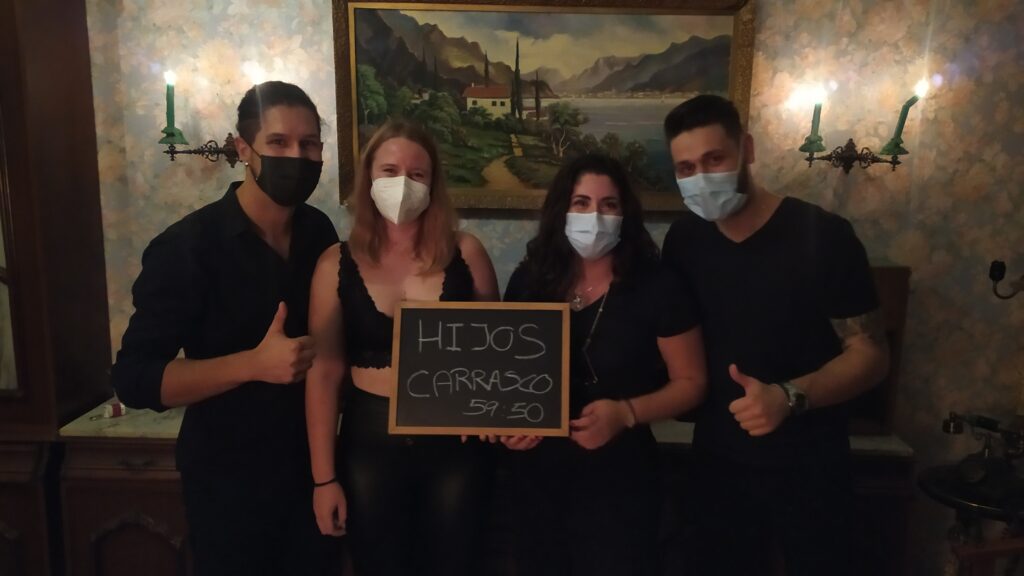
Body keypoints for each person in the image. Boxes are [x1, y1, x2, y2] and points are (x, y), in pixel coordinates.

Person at [111, 81, 340, 575]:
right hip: (228, 482)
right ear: (243, 148)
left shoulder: (320, 231)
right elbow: (135, 378)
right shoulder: (186, 248)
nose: (296, 156)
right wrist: (253, 365)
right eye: (278, 142)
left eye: (309, 144)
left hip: (313, 472)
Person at [660, 94, 890, 576]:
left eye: (714, 159)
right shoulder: (684, 241)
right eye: (686, 168)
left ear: (746, 149)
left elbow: (870, 354)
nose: (701, 177)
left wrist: (789, 396)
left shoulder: (825, 236)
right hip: (716, 463)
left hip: (810, 465)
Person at [304, 120, 500, 576]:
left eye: (417, 174)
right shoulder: (334, 263)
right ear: (368, 178)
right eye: (390, 171)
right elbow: (324, 374)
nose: (403, 184)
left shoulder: (467, 253)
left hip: (457, 448)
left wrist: (499, 415)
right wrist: (323, 479)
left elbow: (495, 355)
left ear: (434, 184)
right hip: (369, 445)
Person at [501, 153, 707, 576]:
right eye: (581, 203)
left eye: (608, 205)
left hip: (620, 477)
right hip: (536, 475)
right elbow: (504, 375)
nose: (594, 216)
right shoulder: (530, 280)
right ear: (561, 210)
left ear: (625, 214)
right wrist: (508, 424)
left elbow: (692, 382)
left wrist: (626, 412)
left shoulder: (659, 286)